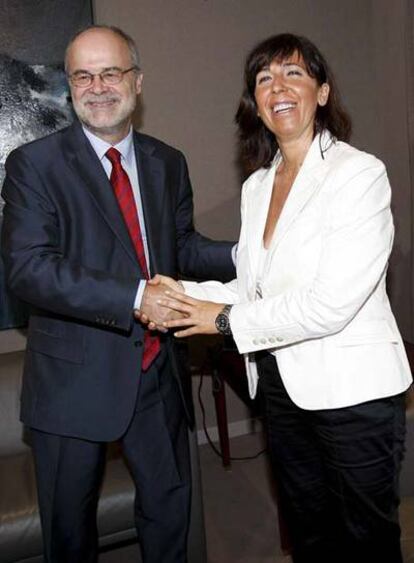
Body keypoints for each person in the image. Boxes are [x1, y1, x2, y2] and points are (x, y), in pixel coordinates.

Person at [153, 33, 413, 563]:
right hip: (278, 385)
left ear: (321, 92)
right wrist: (182, 295)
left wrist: (220, 321)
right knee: (309, 530)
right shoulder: (258, 186)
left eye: (294, 73)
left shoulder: (358, 174)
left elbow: (328, 304)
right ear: (257, 103)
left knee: (365, 538)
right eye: (264, 78)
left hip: (353, 395)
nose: (279, 87)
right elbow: (253, 287)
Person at [0, 25, 235, 563]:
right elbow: (29, 270)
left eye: (111, 72)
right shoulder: (34, 166)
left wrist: (251, 254)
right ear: (69, 86)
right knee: (69, 536)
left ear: (137, 81)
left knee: (170, 515)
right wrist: (134, 296)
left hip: (158, 374)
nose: (97, 86)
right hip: (71, 387)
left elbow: (181, 249)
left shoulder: (167, 162)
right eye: (83, 75)